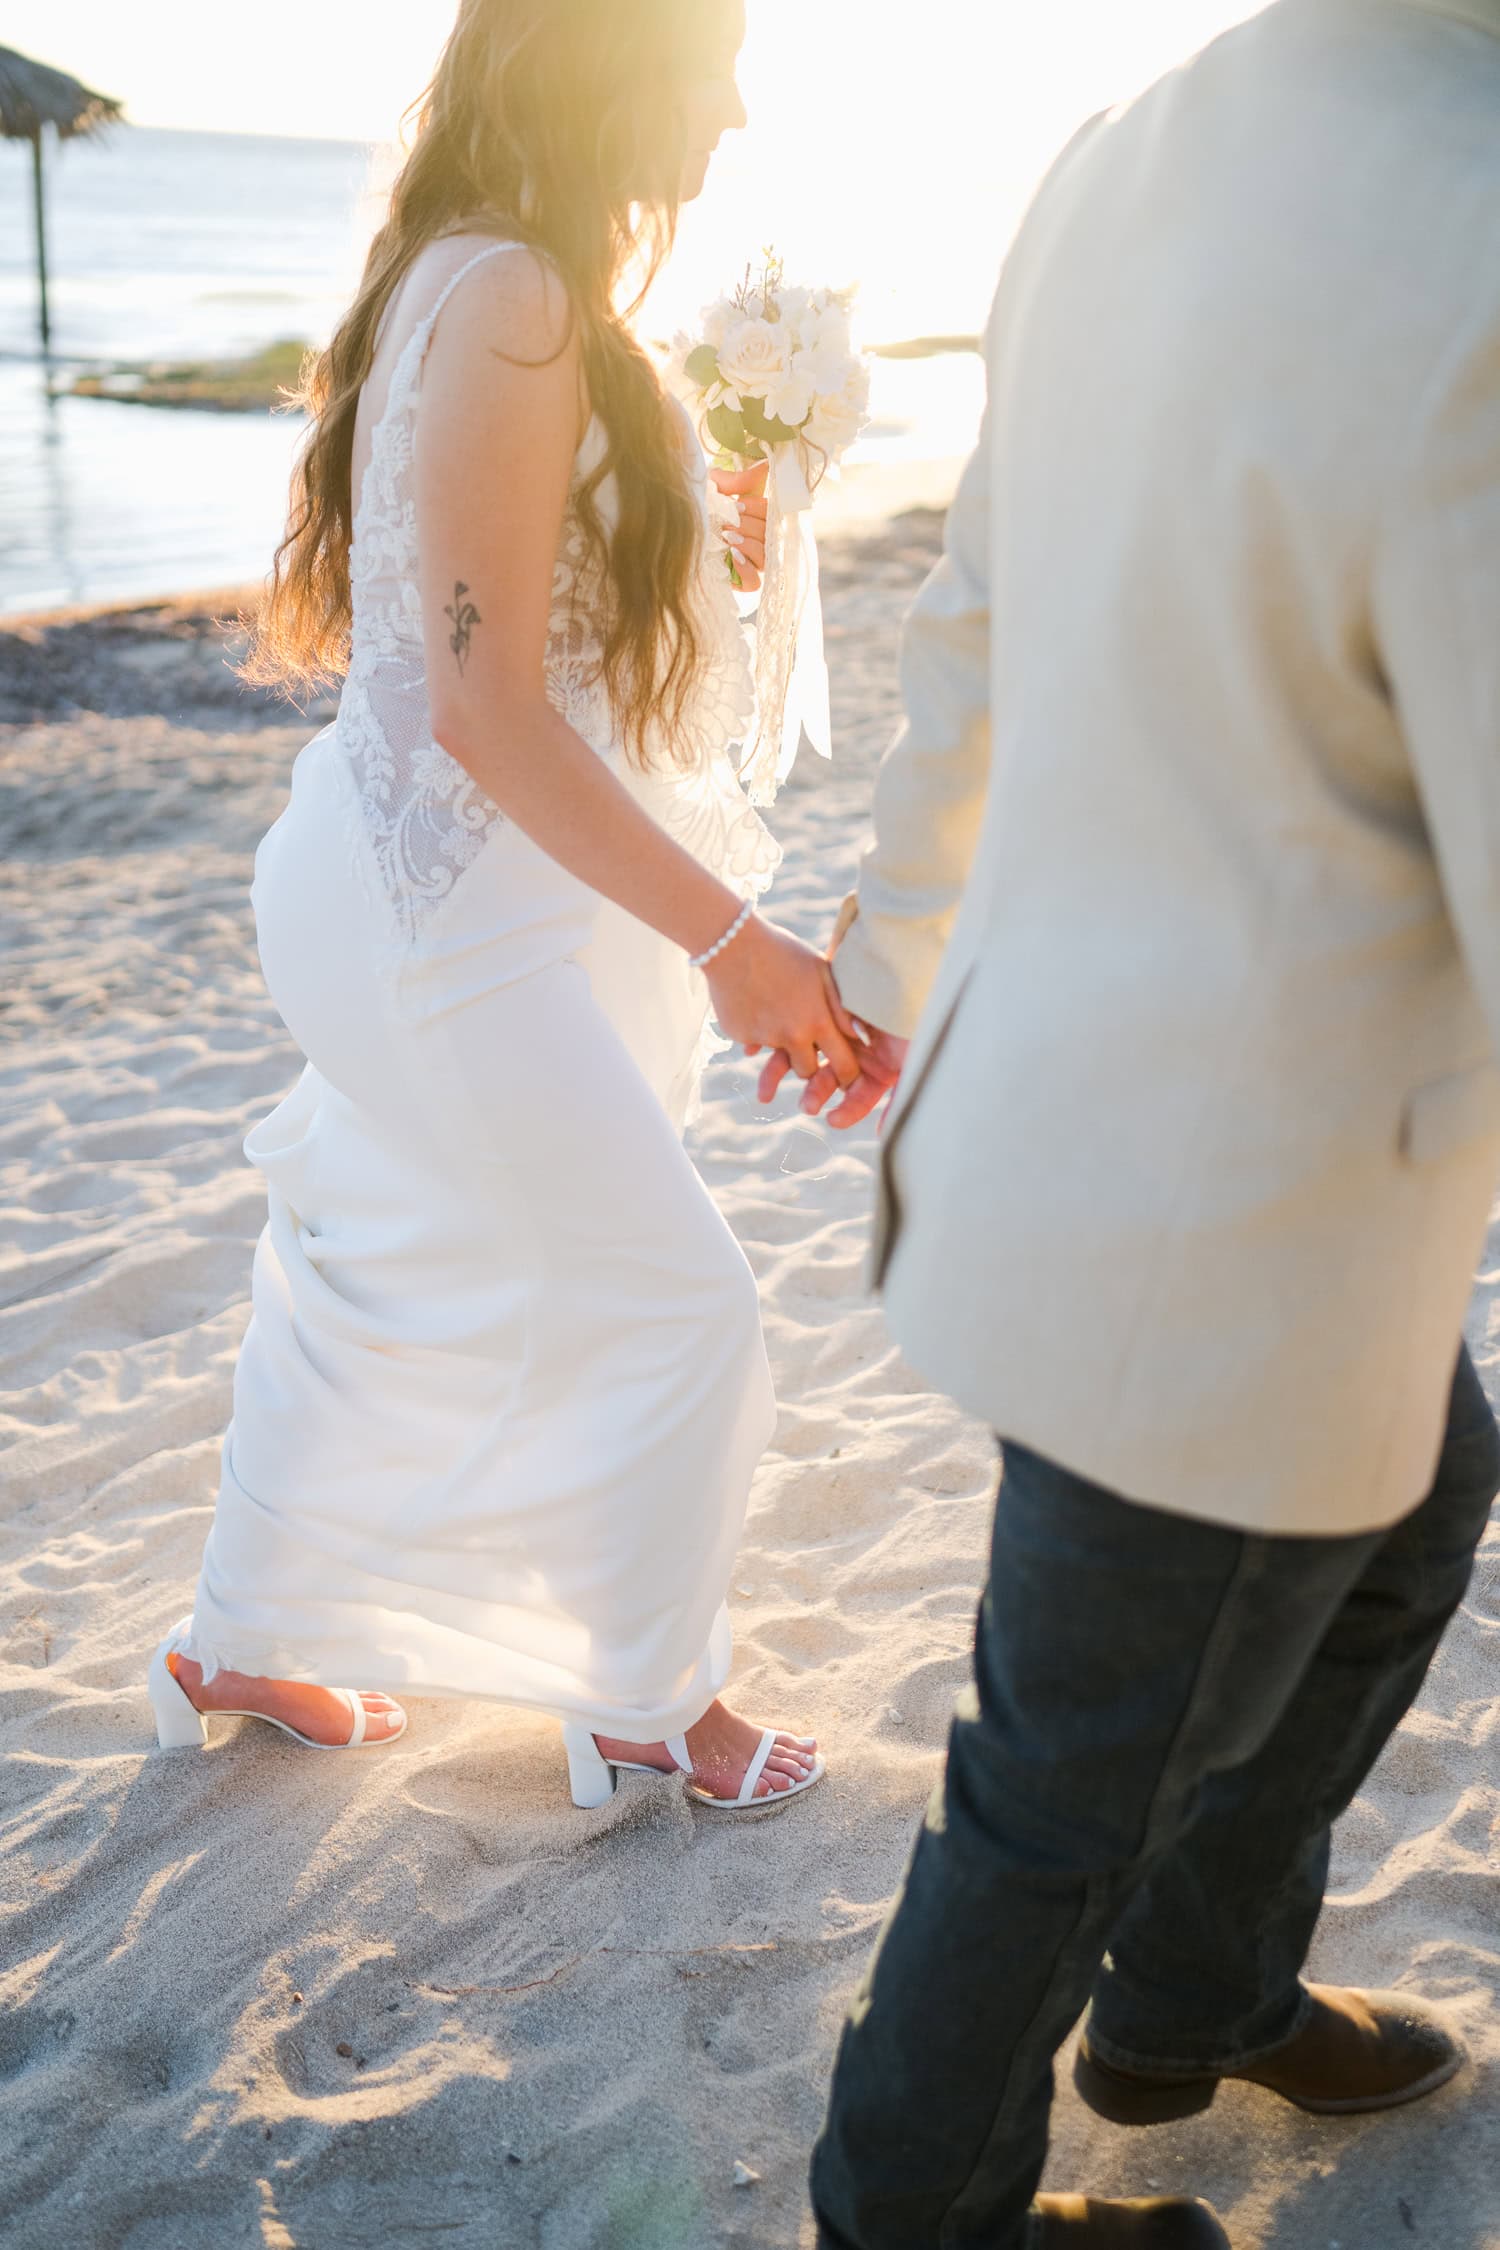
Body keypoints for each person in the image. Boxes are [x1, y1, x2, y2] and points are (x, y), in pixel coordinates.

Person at [797, 0, 1500, 2239]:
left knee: (1426, 1494)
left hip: (1062, 1129)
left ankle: (1195, 1989)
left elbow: (971, 629)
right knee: (1056, 1787)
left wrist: (886, 960)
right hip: (1232, 1237)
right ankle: (914, 2208)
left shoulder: (1116, 150)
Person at [145, 0, 846, 1814]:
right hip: (436, 908)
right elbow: (479, 699)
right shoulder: (517, 300)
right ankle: (648, 1705)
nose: (741, 104)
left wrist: (717, 519)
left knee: (390, 1247)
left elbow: (535, 606)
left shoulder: (492, 282)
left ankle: (239, 1636)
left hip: (429, 885)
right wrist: (737, 942)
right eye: (715, 57)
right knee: (680, 1304)